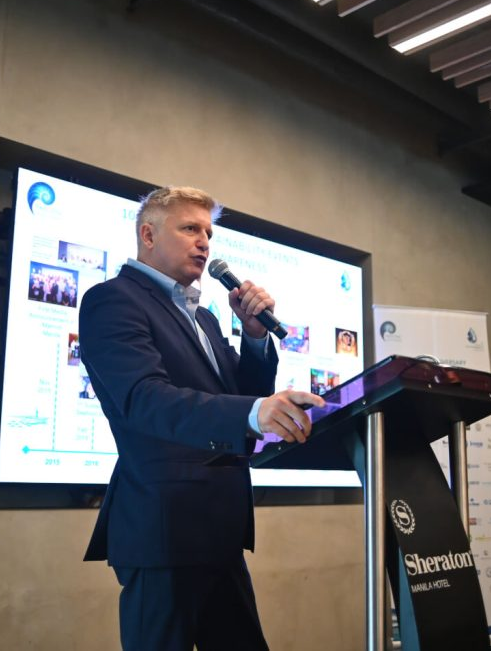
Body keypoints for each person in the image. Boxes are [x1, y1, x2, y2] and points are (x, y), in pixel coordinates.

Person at [79, 186, 324, 651]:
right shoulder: (112, 300)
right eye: (191, 228)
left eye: (209, 233)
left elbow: (240, 397)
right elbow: (144, 399)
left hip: (220, 530)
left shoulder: (205, 318)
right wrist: (253, 412)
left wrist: (254, 337)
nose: (204, 242)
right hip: (164, 531)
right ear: (148, 235)